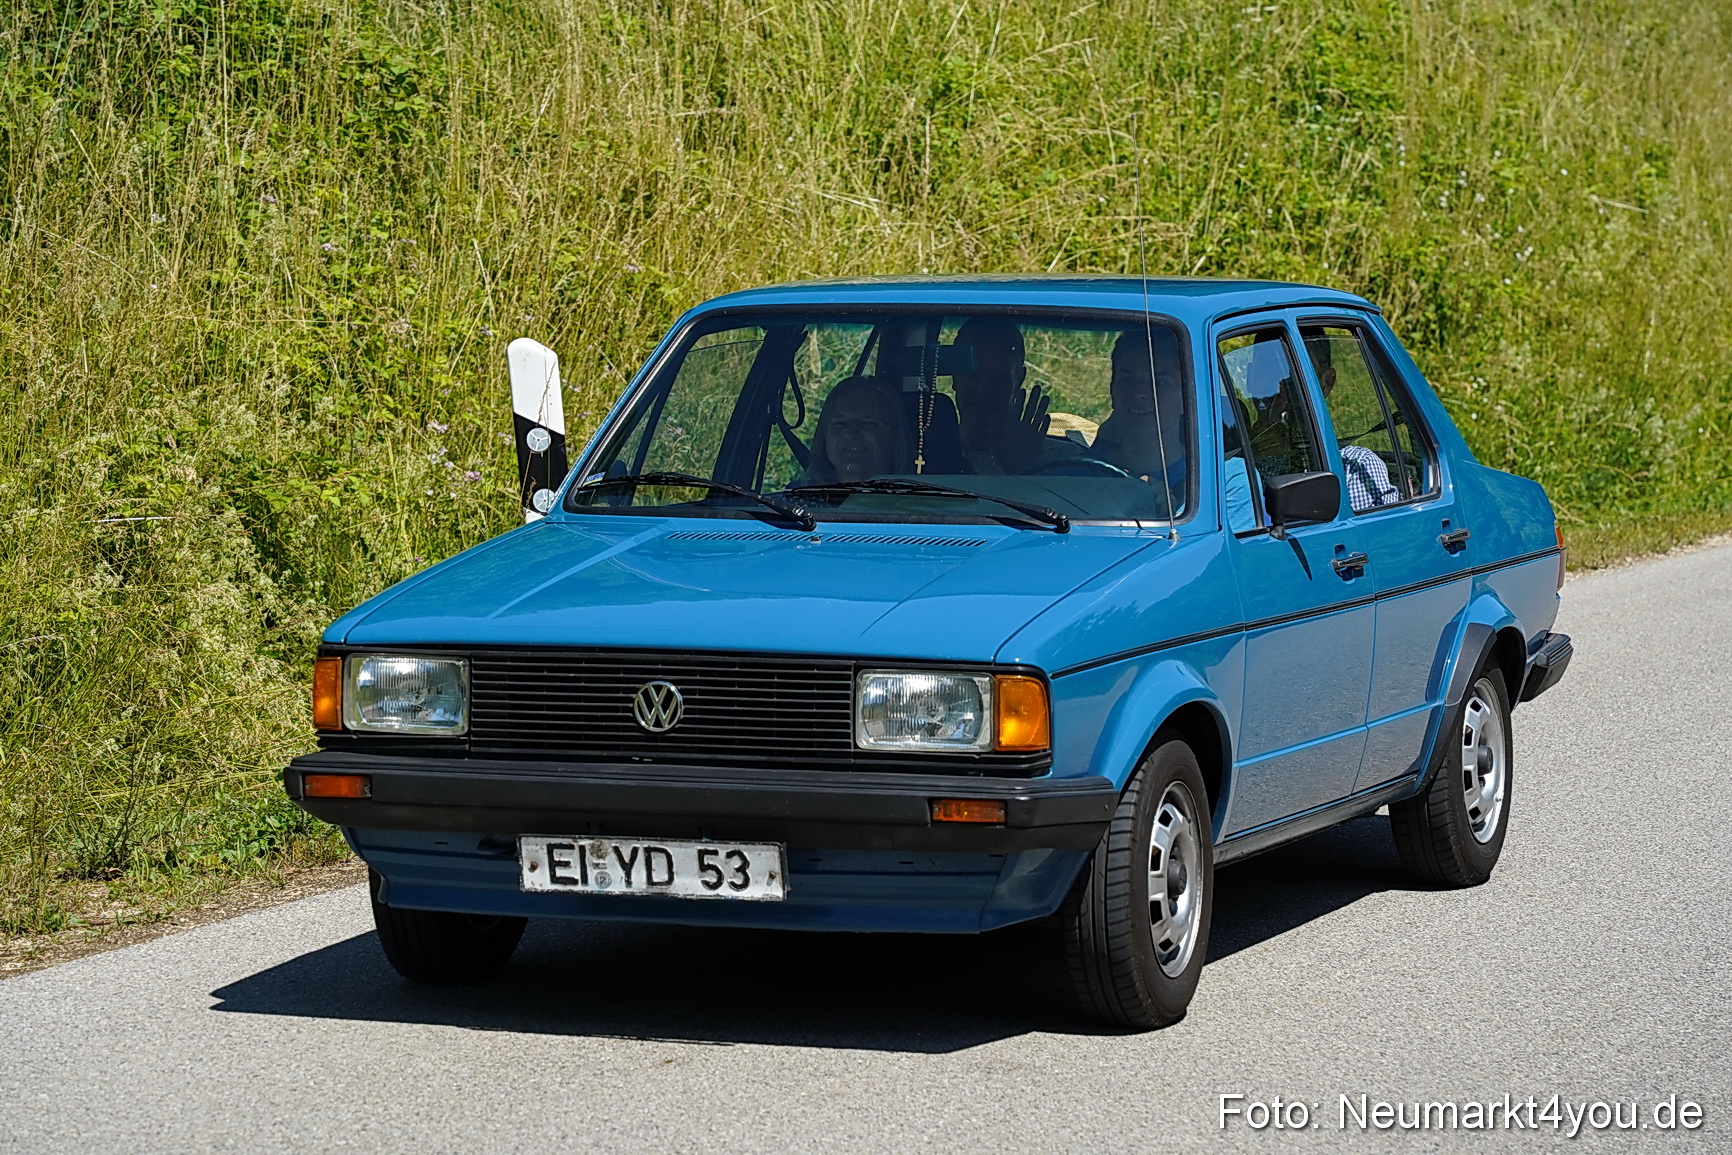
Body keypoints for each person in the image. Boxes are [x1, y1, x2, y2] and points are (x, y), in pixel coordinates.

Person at [948, 318, 1067, 474]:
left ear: (1019, 379)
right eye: (972, 377)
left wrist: (1022, 468)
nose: (981, 390)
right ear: (955, 377)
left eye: (997, 381)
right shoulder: (923, 450)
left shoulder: (1059, 460)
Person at [1304, 334, 1401, 512]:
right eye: (1263, 372)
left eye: (1293, 374)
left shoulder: (1355, 469)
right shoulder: (1242, 466)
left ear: (1327, 381)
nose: (1280, 385)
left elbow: (1388, 534)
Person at [1094, 328, 1188, 509]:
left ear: (1186, 398)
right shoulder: (1080, 472)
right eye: (1128, 379)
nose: (1139, 393)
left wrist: (1170, 518)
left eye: (1160, 382)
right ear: (1112, 389)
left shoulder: (1218, 482)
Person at [800, 376, 911, 484]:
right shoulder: (796, 498)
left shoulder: (917, 501)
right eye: (840, 423)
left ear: (895, 439)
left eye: (868, 423)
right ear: (824, 437)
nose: (851, 433)